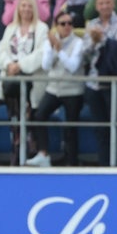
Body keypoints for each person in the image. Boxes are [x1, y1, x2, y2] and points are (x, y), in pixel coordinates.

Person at [26, 11, 85, 167]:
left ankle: (72, 162)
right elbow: (46, 65)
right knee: (39, 115)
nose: (67, 26)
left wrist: (60, 51)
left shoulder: (78, 43)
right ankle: (43, 153)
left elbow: (73, 66)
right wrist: (53, 49)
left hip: (73, 90)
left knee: (71, 126)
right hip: (54, 88)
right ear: (56, 26)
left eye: (70, 23)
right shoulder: (50, 42)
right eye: (63, 24)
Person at [82, 0, 117, 167]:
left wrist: (101, 39)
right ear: (96, 6)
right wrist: (94, 42)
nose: (104, 6)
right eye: (101, 3)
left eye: (108, 3)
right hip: (94, 82)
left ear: (113, 4)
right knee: (100, 129)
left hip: (114, 83)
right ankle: (103, 165)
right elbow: (85, 53)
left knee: (116, 126)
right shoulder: (92, 24)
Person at [0, 0, 48, 165]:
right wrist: (9, 64)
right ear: (18, 9)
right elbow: (1, 50)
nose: (26, 9)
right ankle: (16, 154)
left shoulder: (41, 28)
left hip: (31, 81)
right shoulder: (11, 28)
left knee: (30, 120)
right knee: (15, 121)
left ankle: (29, 156)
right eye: (23, 6)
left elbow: (41, 53)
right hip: (11, 81)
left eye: (29, 6)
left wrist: (21, 65)